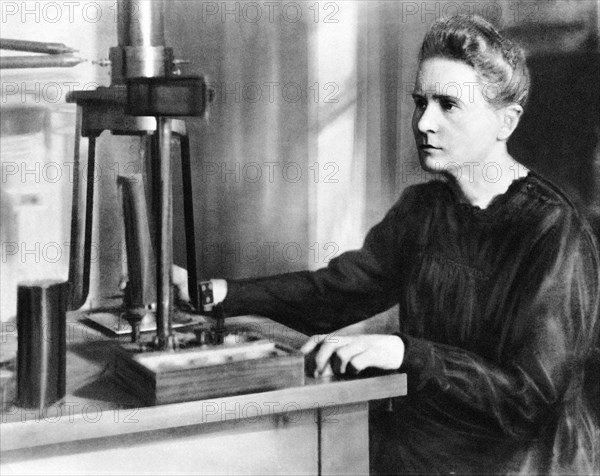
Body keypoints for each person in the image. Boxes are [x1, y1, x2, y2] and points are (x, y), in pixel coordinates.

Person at [177, 15, 600, 474]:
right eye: (421, 103)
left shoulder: (552, 229)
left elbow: (527, 399)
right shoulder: (422, 210)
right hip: (424, 457)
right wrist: (215, 293)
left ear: (506, 121)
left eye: (448, 105)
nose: (424, 122)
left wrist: (403, 352)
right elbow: (333, 294)